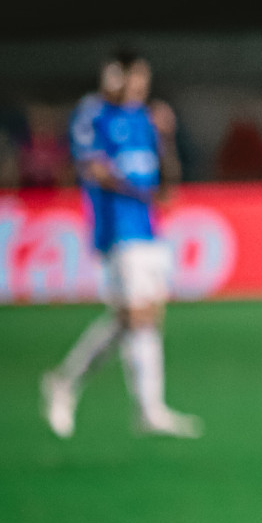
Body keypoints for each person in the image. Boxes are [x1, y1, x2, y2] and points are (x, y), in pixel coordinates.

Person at [41, 51, 202, 439]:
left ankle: (77, 384)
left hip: (148, 228)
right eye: (136, 77)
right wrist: (140, 193)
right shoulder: (92, 114)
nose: (142, 85)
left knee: (139, 317)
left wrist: (166, 136)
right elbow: (93, 168)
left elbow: (168, 184)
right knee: (134, 316)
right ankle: (142, 407)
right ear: (116, 76)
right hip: (117, 225)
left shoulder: (145, 119)